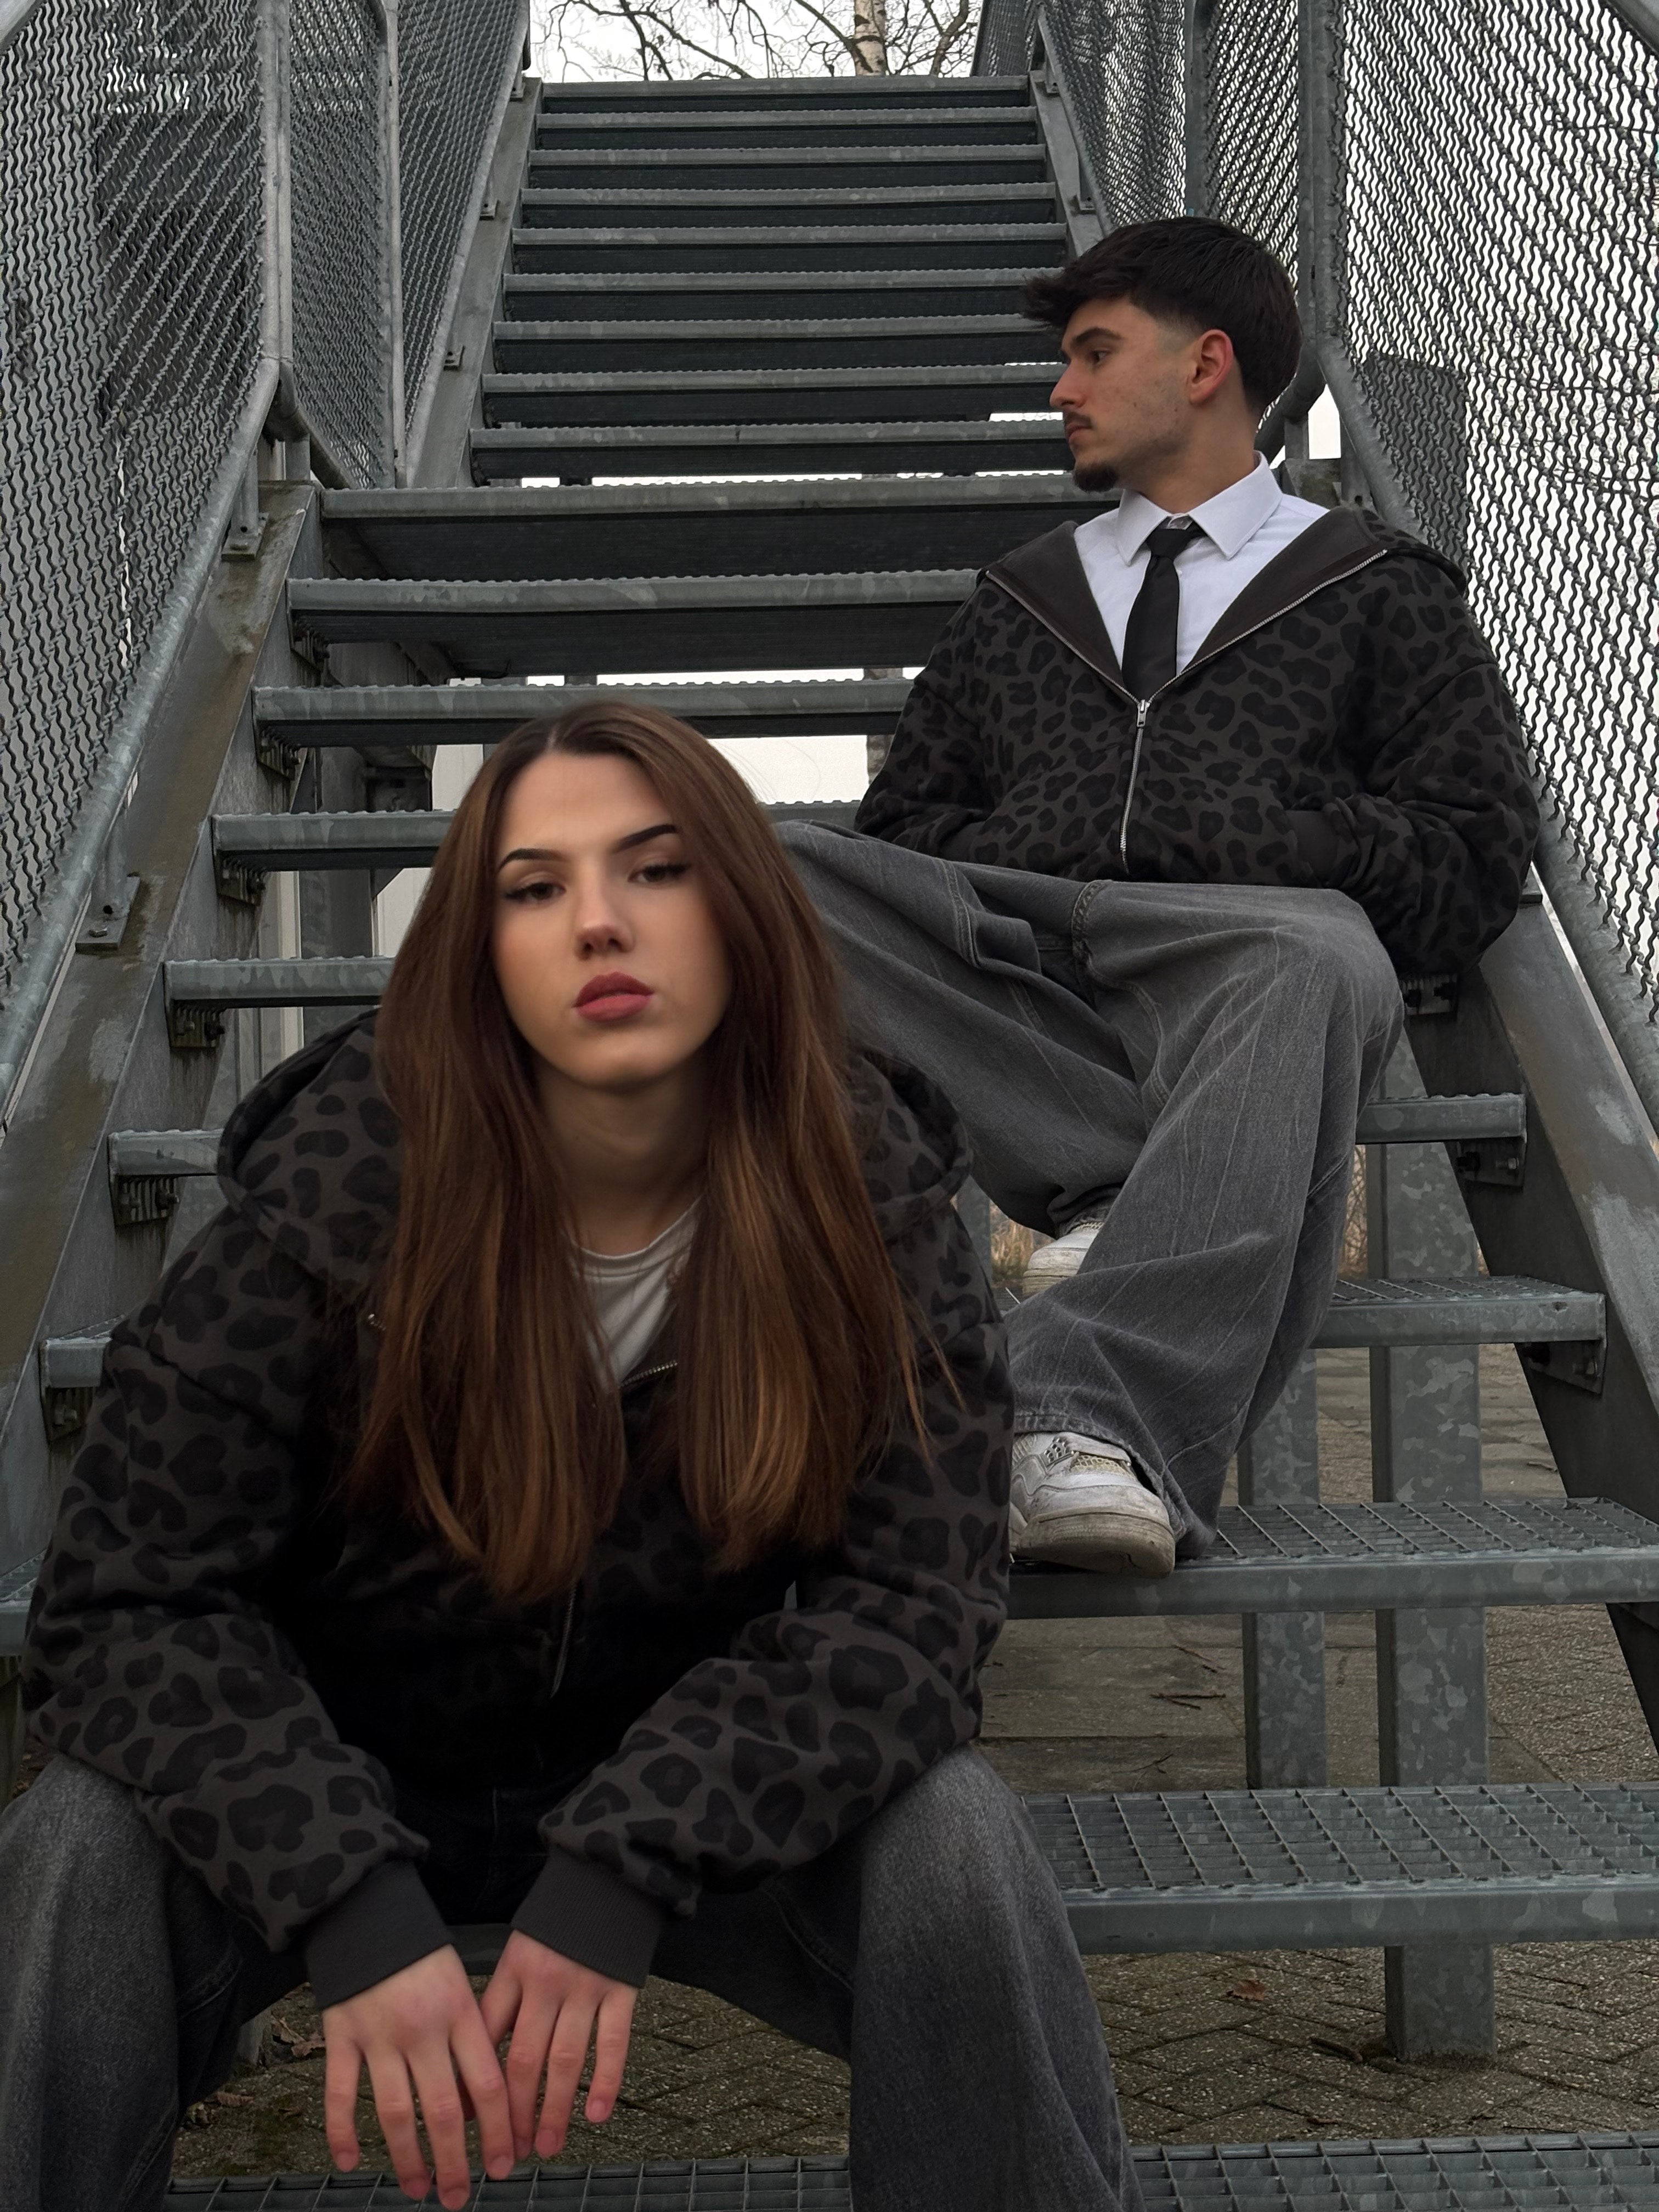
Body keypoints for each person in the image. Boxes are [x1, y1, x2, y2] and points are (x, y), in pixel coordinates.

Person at [0, 704, 1145, 2212]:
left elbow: (912, 1614)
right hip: (347, 1779)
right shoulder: (335, 1200)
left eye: (656, 870)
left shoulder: (866, 1201)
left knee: (958, 1842)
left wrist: (628, 1855)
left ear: (741, 911)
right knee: (74, 1845)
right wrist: (341, 1888)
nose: (599, 922)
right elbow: (125, 1606)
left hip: (696, 1792)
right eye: (534, 889)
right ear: (481, 954)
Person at [782, 217, 1538, 1581]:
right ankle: (1145, 1189)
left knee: (1322, 957)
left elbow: (1473, 849)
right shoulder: (1022, 600)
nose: (1061, 389)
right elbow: (906, 832)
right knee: (757, 873)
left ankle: (1084, 1418)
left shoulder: (1379, 590)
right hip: (1022, 966)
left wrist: (1266, 840)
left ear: (1206, 365)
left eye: (1093, 353)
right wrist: (1052, 843)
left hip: (1246, 969)